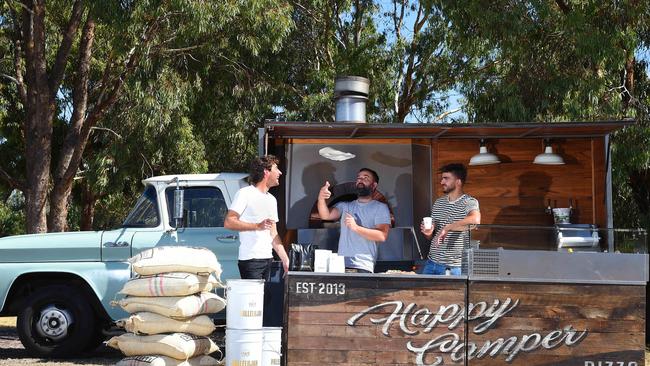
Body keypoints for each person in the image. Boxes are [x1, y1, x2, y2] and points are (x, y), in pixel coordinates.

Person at [224, 155, 290, 279]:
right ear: (266, 172)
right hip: (251, 260)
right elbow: (229, 221)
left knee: (265, 298)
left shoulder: (272, 199)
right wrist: (257, 226)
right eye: (276, 168)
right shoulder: (245, 194)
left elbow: (273, 232)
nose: (280, 173)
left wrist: (285, 258)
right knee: (253, 299)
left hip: (268, 259)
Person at [317, 168, 391, 273]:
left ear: (374, 185)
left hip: (363, 265)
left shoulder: (380, 208)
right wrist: (321, 198)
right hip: (340, 264)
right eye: (359, 178)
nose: (360, 180)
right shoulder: (345, 206)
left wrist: (355, 227)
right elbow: (326, 215)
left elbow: (382, 236)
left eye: (365, 178)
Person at [420, 163, 480, 275]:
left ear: (458, 181)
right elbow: (431, 237)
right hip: (430, 262)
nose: (442, 182)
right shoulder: (438, 203)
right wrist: (428, 233)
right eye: (442, 178)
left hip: (452, 268)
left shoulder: (469, 202)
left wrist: (448, 227)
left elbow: (476, 219)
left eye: (446, 178)